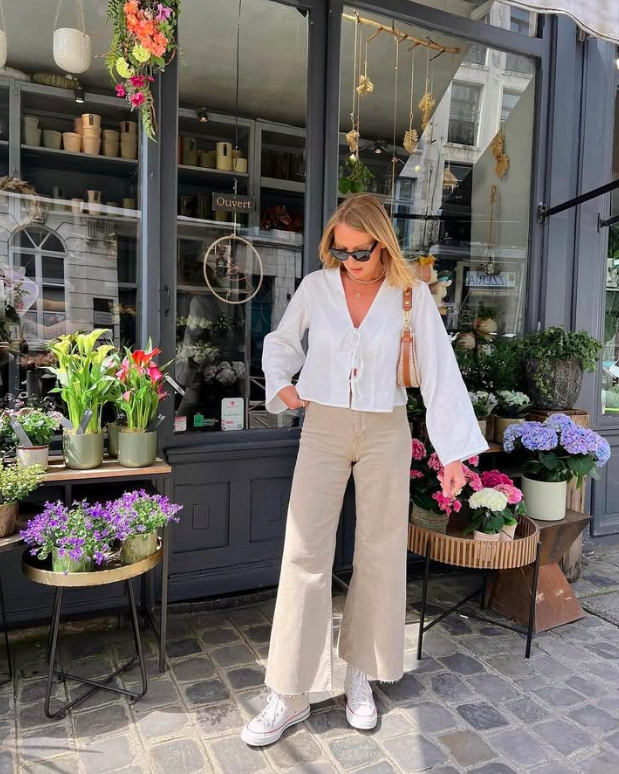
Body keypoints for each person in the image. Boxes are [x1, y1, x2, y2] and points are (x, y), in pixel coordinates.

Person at [241, 194, 487, 746]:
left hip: (386, 428)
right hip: (324, 424)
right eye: (339, 249)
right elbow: (280, 343)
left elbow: (441, 371)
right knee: (304, 550)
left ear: (383, 244)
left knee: (378, 549)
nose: (348, 260)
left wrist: (452, 454)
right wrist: (283, 383)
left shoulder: (411, 296)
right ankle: (290, 690)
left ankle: (360, 674)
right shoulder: (316, 287)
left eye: (360, 251)